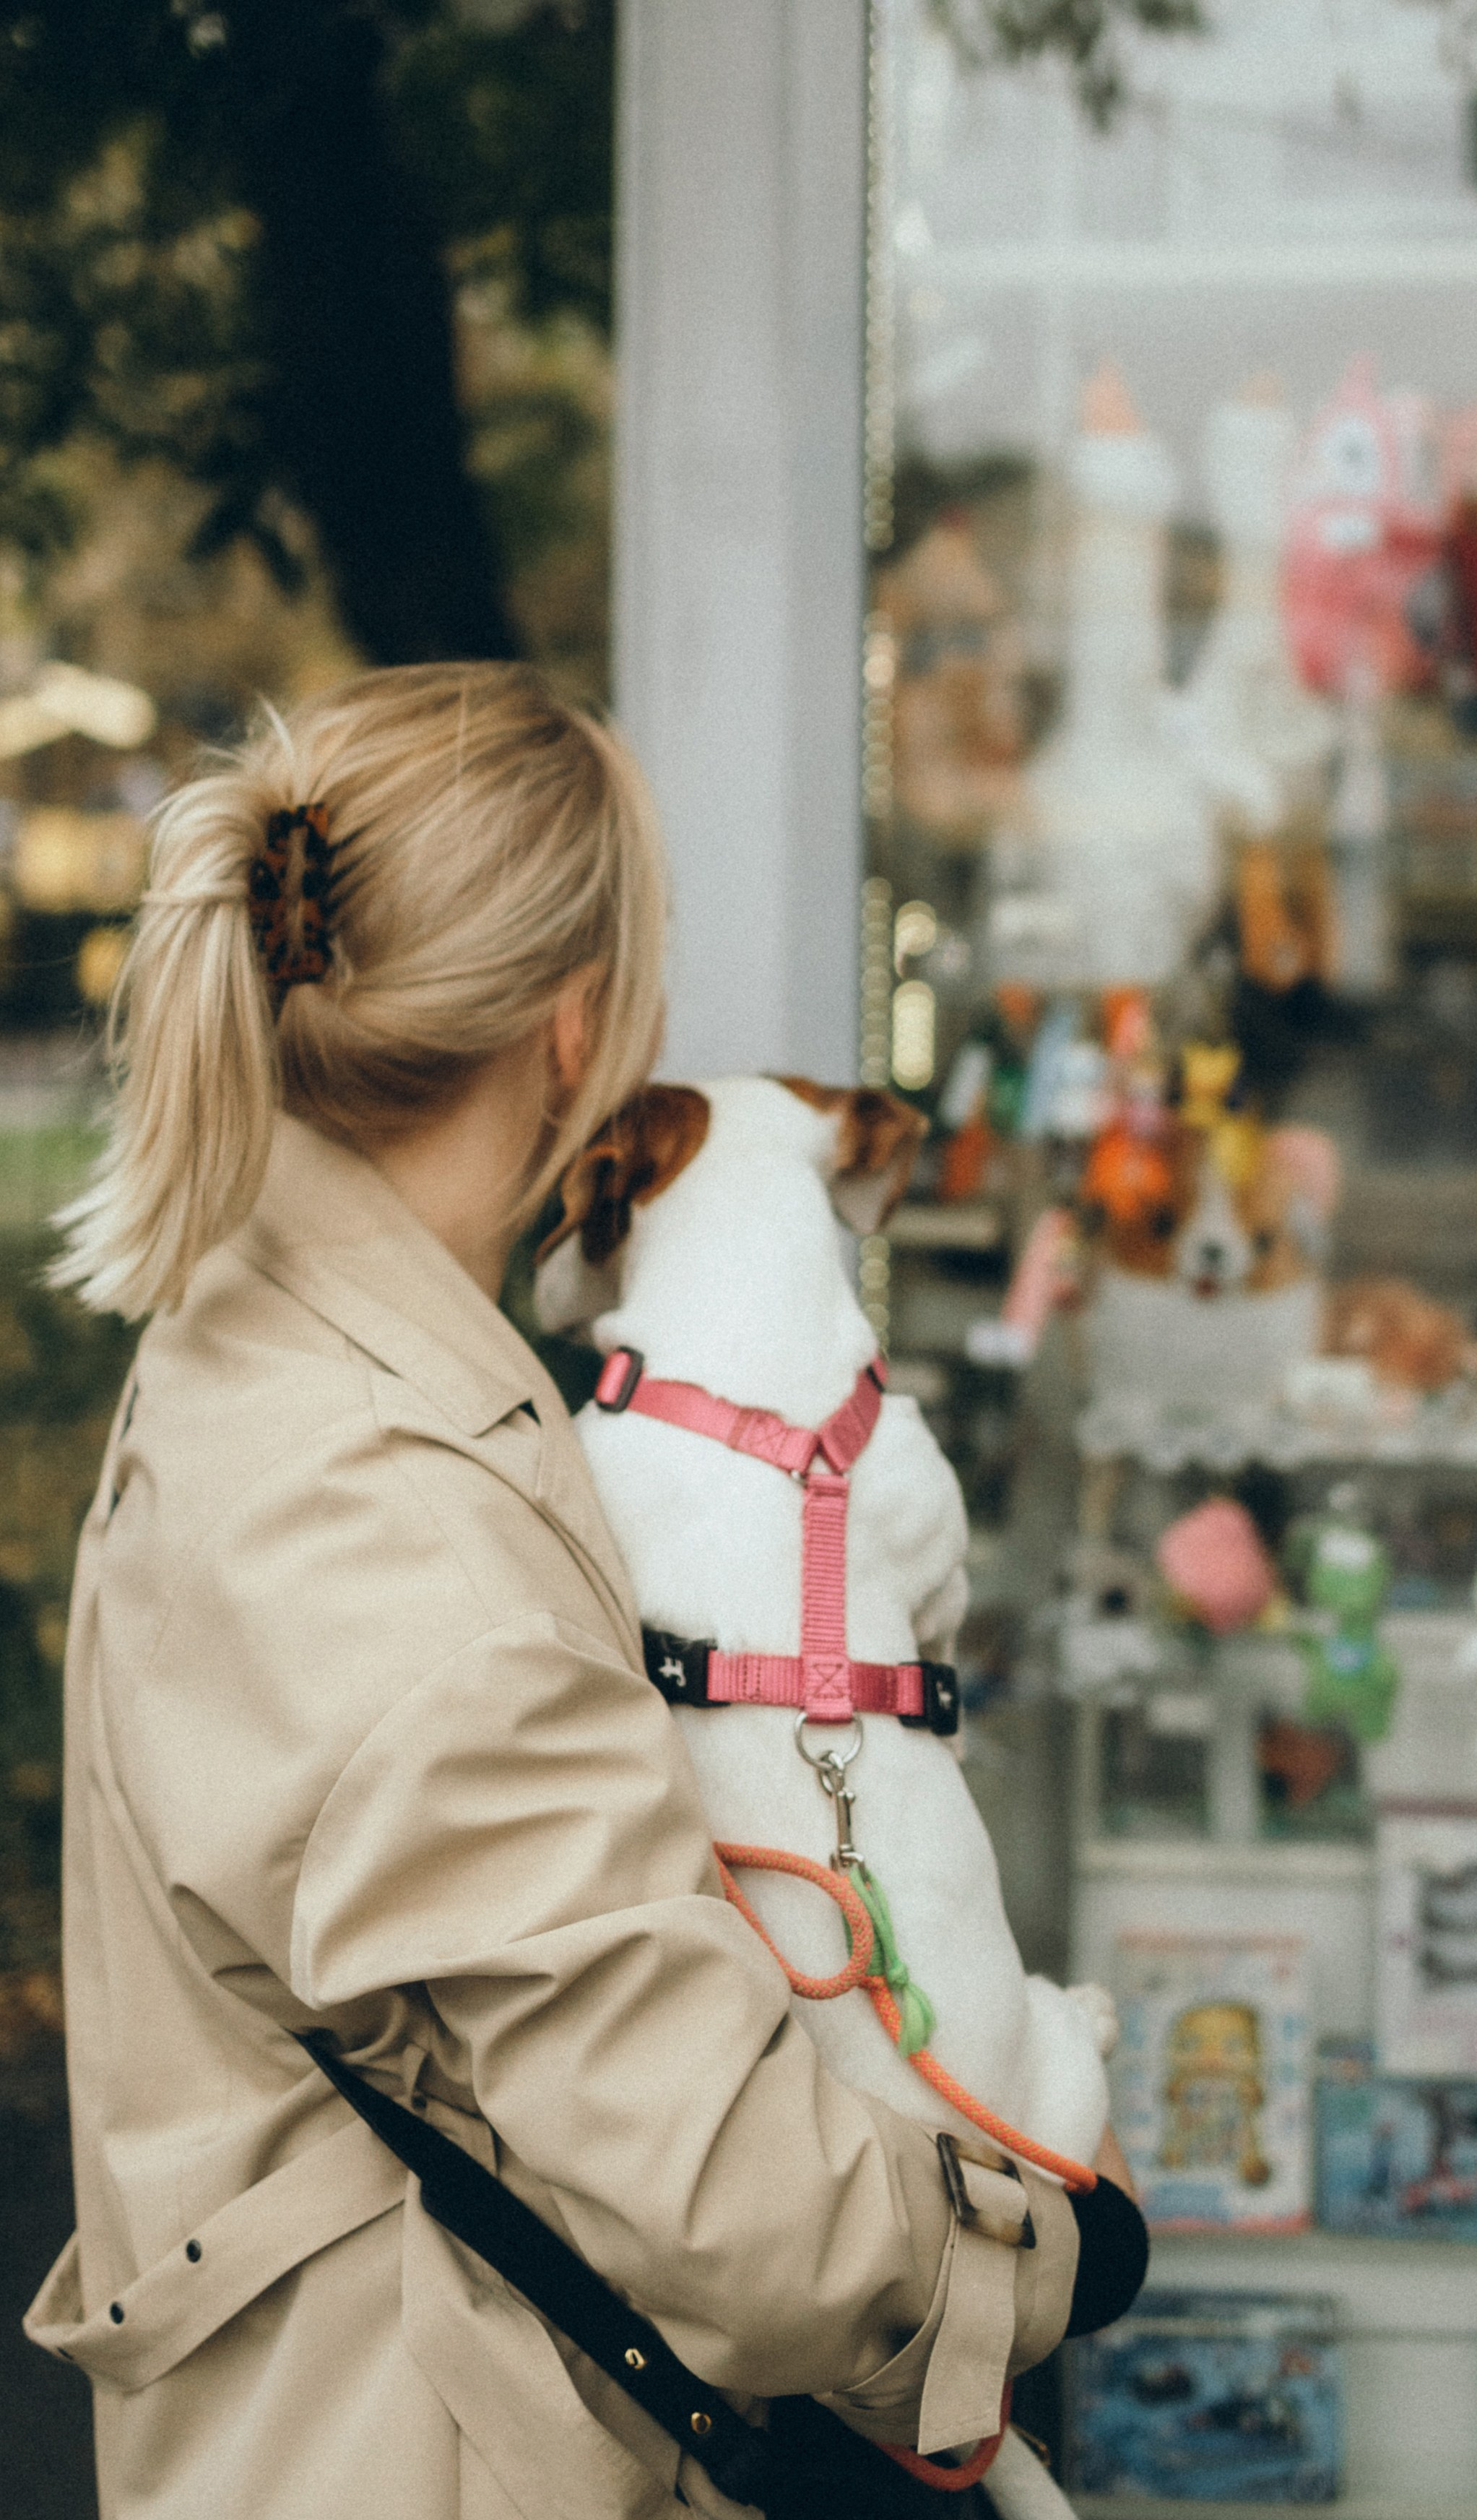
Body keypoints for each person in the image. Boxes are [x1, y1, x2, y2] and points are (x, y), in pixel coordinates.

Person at [23, 663, 1145, 2519]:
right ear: (574, 1026)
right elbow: (741, 2214)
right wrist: (1049, 2246)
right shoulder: (392, 1510)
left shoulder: (273, 1340)